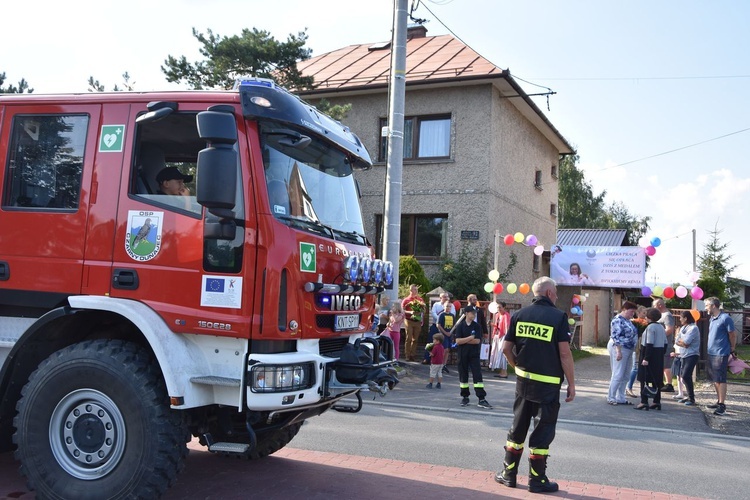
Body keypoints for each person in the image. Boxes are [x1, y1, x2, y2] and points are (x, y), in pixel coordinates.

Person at [495, 277, 575, 494]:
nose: (557, 296)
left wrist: (516, 366)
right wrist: (571, 383)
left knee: (518, 427)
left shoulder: (520, 315)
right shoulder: (558, 317)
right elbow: (565, 353)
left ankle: (508, 474)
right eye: (556, 292)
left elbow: (505, 348)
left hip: (523, 383)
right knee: (542, 431)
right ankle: (537, 480)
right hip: (547, 387)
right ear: (549, 293)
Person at [454, 305, 492, 409]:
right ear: (466, 313)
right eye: (472, 313)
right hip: (462, 354)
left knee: (477, 375)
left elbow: (477, 341)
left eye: (474, 313)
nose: (474, 314)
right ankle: (465, 396)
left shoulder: (477, 326)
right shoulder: (460, 326)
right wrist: (470, 338)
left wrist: (465, 340)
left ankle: (481, 398)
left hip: (474, 354)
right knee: (463, 375)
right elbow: (458, 341)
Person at [704, 297, 737, 416]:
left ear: (713, 306)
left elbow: (732, 334)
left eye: (707, 305)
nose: (705, 307)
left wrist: (732, 348)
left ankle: (722, 405)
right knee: (715, 379)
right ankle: (718, 401)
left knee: (721, 379)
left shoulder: (725, 318)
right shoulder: (712, 318)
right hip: (712, 352)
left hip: (721, 352)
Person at [635, 307, 668, 411]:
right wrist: (661, 353)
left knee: (644, 378)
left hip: (649, 354)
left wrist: (646, 358)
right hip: (658, 354)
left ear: (649, 317)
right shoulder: (661, 327)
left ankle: (644, 401)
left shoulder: (650, 327)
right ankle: (656, 401)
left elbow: (649, 343)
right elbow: (665, 343)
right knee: (656, 379)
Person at [607, 301, 639, 405]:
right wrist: (618, 351)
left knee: (626, 374)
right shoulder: (617, 320)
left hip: (629, 348)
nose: (632, 314)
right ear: (624, 309)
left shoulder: (628, 321)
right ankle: (611, 397)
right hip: (620, 347)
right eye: (631, 311)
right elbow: (616, 336)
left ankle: (620, 397)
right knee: (618, 373)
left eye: (634, 312)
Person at [675, 310, 700, 406]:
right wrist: (682, 343)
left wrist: (682, 342)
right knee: (683, 376)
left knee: (686, 375)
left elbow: (686, 343)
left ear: (686, 318)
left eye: (681, 317)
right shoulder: (683, 328)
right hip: (683, 354)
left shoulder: (693, 328)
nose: (680, 319)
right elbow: (677, 340)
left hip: (692, 355)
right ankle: (688, 396)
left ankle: (692, 398)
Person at [652, 298, 675, 392]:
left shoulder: (667, 316)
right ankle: (661, 382)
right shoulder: (662, 315)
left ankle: (669, 384)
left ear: (660, 305)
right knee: (661, 364)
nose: (653, 308)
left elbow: (669, 329)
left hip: (666, 343)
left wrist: (659, 336)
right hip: (660, 344)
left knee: (666, 365)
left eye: (654, 306)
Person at [424, 293, 453, 364]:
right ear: (440, 298)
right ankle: (427, 358)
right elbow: (433, 313)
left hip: (447, 328)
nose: (446, 298)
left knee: (445, 347)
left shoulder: (451, 305)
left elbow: (453, 314)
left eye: (447, 297)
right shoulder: (436, 305)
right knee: (431, 342)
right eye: (444, 297)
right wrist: (441, 319)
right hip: (436, 326)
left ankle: (442, 363)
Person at [626, 306, 648, 398]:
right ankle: (629, 387)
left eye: (646, 313)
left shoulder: (646, 323)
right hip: (637, 345)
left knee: (640, 367)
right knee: (635, 367)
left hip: (643, 344)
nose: (645, 315)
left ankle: (644, 389)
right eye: (643, 313)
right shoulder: (634, 322)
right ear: (638, 313)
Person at [401, 284, 425, 362]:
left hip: (417, 321)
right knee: (409, 338)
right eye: (414, 289)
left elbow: (424, 309)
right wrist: (410, 312)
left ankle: (412, 355)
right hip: (409, 320)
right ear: (411, 290)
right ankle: (407, 355)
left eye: (416, 290)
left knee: (415, 339)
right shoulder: (406, 300)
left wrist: (420, 311)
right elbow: (402, 310)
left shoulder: (420, 299)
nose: (416, 291)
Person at [489, 301, 511, 378]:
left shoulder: (506, 315)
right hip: (497, 335)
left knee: (502, 353)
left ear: (504, 307)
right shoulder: (497, 315)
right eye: (498, 307)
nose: (498, 309)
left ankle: (504, 372)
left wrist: (507, 337)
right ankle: (502, 372)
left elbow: (507, 327)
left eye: (500, 307)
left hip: (503, 336)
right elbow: (498, 326)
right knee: (498, 353)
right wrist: (492, 325)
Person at [436, 303, 456, 374]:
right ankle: (440, 364)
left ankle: (444, 364)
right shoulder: (442, 315)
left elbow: (454, 325)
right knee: (444, 349)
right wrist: (445, 332)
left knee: (448, 350)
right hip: (443, 335)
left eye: (450, 306)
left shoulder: (452, 315)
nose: (448, 307)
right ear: (444, 307)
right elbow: (438, 325)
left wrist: (452, 333)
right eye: (447, 306)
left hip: (449, 335)